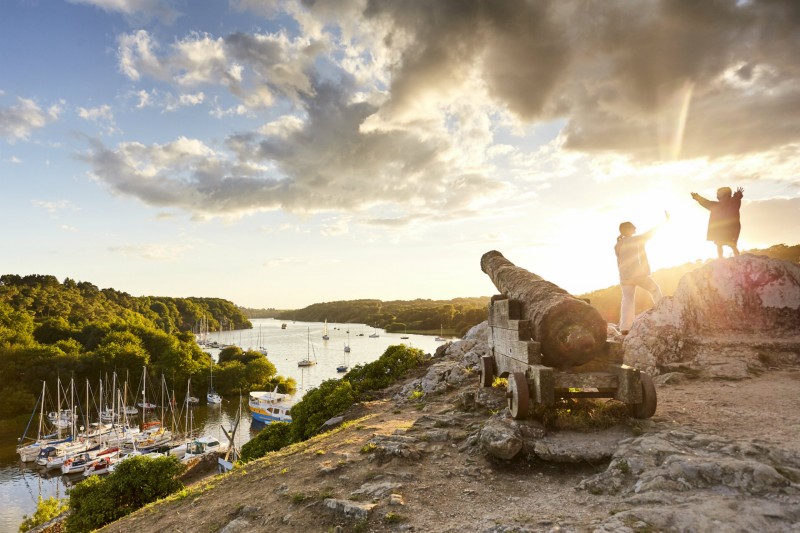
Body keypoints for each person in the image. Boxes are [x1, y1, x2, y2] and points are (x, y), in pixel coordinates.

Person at [614, 213, 668, 335]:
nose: (635, 229)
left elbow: (619, 261)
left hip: (624, 276)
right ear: (628, 230)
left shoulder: (617, 245)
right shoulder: (635, 239)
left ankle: (625, 328)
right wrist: (665, 222)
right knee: (654, 289)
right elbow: (650, 233)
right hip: (637, 274)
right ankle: (663, 312)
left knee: (627, 300)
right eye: (633, 227)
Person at [691, 186, 744, 258]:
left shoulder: (730, 203)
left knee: (727, 245)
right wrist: (698, 197)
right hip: (724, 230)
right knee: (725, 244)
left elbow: (706, 203)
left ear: (724, 195)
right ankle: (724, 259)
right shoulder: (724, 204)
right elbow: (706, 202)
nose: (717, 195)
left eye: (718, 193)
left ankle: (726, 259)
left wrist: (737, 196)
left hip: (729, 230)